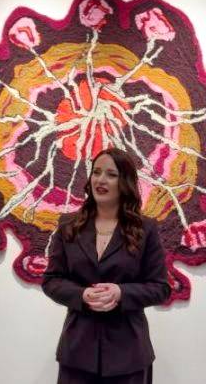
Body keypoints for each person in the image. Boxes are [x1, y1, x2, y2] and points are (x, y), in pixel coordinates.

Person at [42, 148, 171, 384]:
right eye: (96, 172)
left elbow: (160, 287)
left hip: (129, 356)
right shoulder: (68, 225)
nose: (100, 180)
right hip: (77, 353)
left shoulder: (146, 229)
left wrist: (121, 292)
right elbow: (51, 280)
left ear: (125, 182)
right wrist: (82, 295)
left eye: (111, 174)